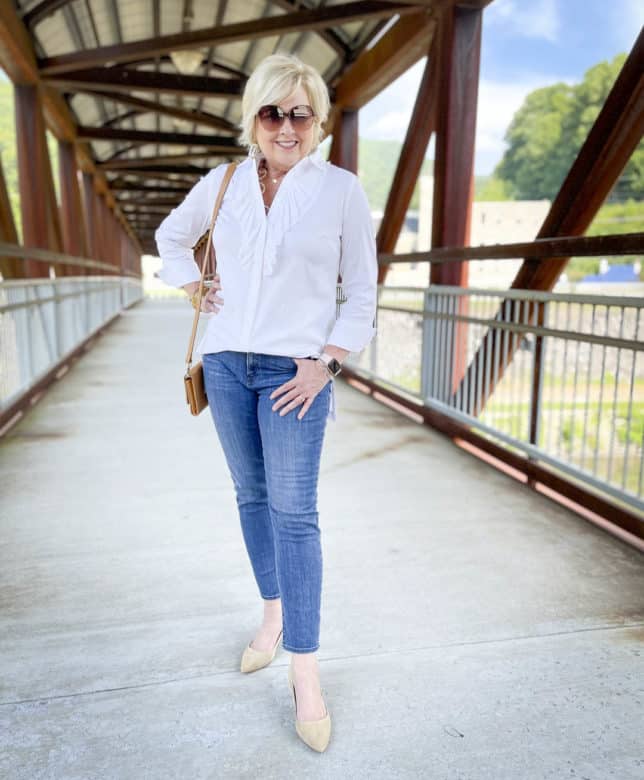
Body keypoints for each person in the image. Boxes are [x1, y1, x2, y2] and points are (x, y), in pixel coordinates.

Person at [155, 52, 377, 753]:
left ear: (317, 123)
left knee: (295, 513)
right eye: (272, 112)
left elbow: (362, 292)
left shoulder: (341, 190)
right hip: (223, 363)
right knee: (251, 497)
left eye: (300, 113)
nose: (286, 126)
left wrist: (326, 364)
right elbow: (170, 240)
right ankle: (272, 616)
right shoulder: (221, 183)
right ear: (253, 119)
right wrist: (193, 286)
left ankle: (305, 673)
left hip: (294, 374)